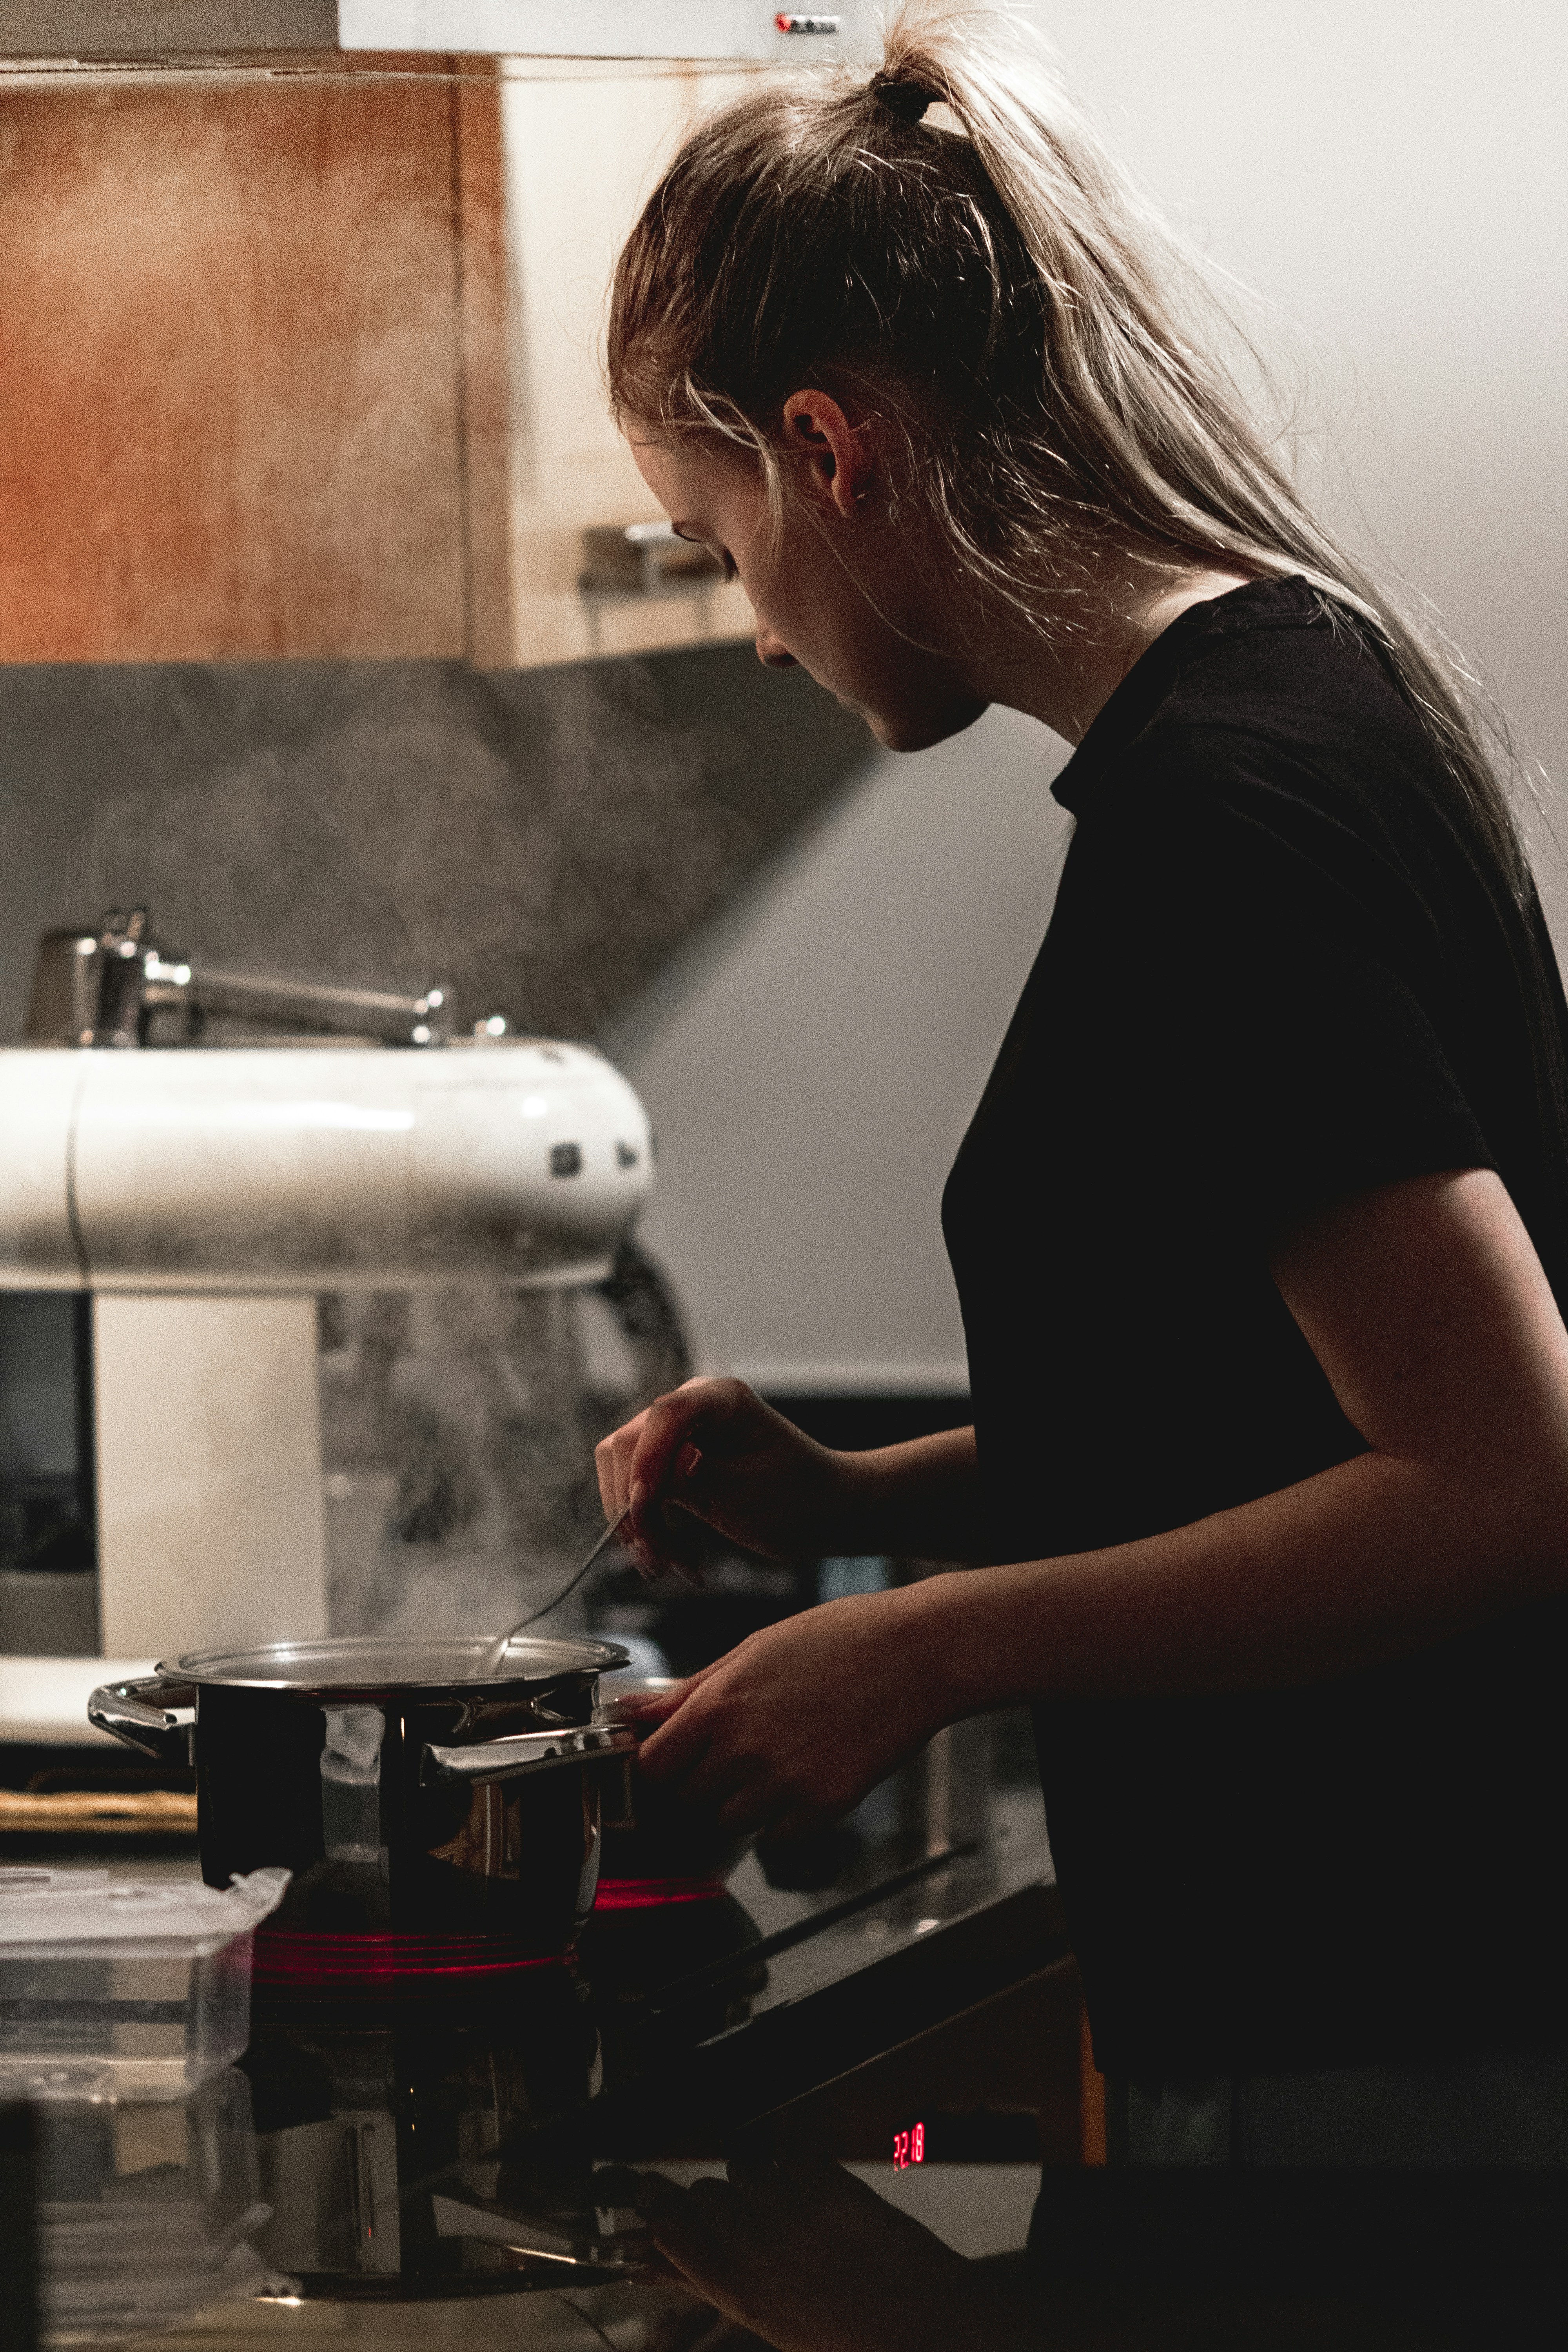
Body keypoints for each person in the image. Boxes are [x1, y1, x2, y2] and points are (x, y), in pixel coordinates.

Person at [595, 0, 1568, 2186]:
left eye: (717, 538)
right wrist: (861, 1497)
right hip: (1396, 2001)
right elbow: (1274, 1407)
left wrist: (919, 1653)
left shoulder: (1223, 818)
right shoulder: (1299, 691)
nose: (752, 626)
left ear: (835, 452)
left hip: (1407, 2033)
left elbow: (1501, 1472)